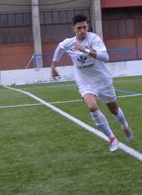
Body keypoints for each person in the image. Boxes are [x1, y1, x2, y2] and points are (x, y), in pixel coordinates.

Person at [50, 14, 134, 152]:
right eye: (79, 28)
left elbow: (105, 57)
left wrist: (85, 50)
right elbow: (59, 48)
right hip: (85, 82)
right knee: (92, 107)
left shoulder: (94, 39)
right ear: (73, 29)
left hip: (103, 80)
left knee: (113, 109)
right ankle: (112, 139)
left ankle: (124, 125)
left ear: (87, 26)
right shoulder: (68, 43)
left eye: (85, 27)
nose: (82, 30)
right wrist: (53, 67)